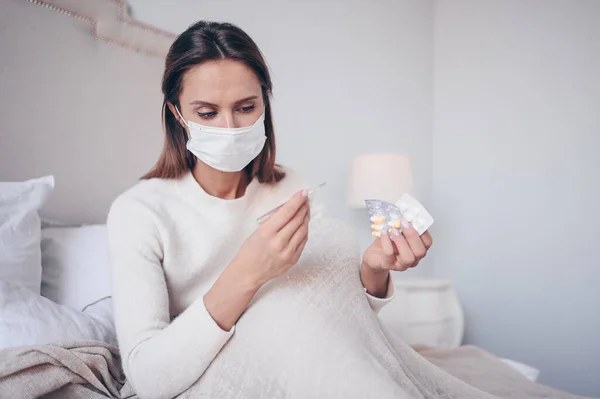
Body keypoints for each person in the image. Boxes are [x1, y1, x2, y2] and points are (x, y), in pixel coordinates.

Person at [107, 20, 432, 399]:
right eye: (208, 113)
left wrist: (372, 272)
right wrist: (248, 274)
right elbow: (149, 379)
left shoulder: (293, 188)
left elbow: (340, 324)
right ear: (177, 114)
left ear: (265, 102)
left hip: (314, 362)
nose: (230, 127)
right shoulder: (139, 213)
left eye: (246, 107)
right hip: (217, 375)